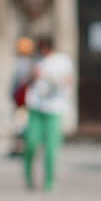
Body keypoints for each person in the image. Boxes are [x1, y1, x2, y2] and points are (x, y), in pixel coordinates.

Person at [22, 36, 74, 192]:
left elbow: (68, 80)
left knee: (51, 148)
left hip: (54, 108)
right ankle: (29, 178)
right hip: (35, 106)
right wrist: (33, 75)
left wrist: (47, 76)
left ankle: (50, 181)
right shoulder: (36, 60)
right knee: (30, 143)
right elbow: (26, 81)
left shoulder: (62, 60)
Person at [8, 36, 36, 155]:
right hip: (25, 99)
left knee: (21, 124)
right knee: (23, 124)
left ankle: (22, 148)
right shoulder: (30, 63)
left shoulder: (21, 64)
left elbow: (17, 83)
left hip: (23, 99)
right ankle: (23, 147)